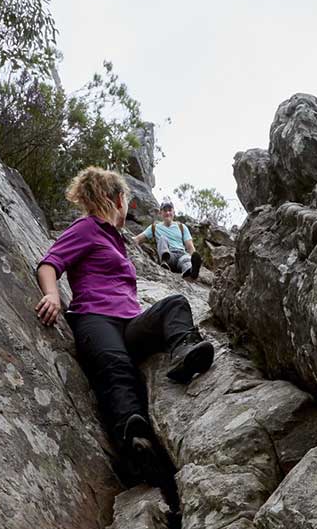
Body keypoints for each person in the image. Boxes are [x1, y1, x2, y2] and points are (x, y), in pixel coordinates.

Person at [35, 167, 216, 475]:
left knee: (176, 303)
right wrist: (52, 296)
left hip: (129, 322)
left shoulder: (117, 241)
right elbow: (50, 264)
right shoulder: (86, 228)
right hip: (95, 319)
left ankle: (184, 352)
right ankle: (135, 441)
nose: (126, 207)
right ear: (117, 199)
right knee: (118, 368)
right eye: (126, 201)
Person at [135, 200, 203, 281]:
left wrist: (194, 258)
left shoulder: (182, 227)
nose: (167, 213)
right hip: (169, 255)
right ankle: (165, 262)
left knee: (186, 260)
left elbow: (190, 246)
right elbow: (138, 239)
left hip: (181, 254)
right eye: (165, 211)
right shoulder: (154, 227)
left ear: (174, 212)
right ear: (160, 213)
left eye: (170, 210)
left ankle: (191, 272)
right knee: (163, 238)